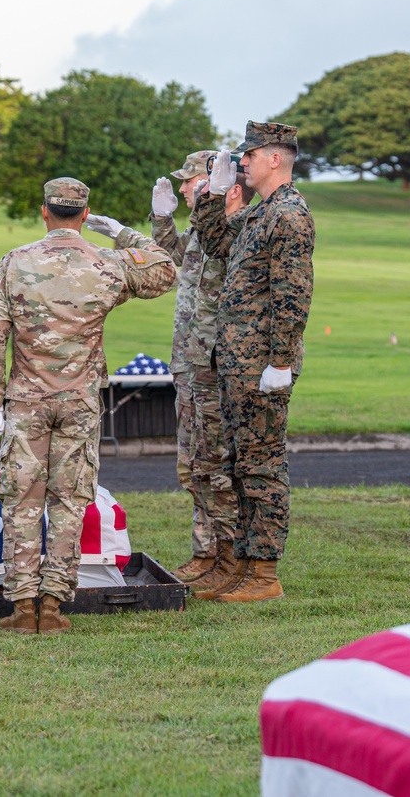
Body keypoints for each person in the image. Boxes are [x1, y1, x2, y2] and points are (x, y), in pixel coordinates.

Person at [0, 177, 177, 635]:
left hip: (25, 400)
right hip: (80, 401)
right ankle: (52, 604)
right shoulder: (106, 262)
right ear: (85, 215)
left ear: (44, 212)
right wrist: (124, 234)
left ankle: (23, 606)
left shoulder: (15, 263)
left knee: (21, 500)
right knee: (69, 500)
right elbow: (166, 269)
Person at [190, 122, 315, 603]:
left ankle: (264, 573)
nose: (243, 160)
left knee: (261, 465)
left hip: (262, 363)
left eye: (250, 154)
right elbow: (216, 243)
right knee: (241, 463)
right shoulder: (263, 213)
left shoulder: (289, 216)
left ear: (275, 159)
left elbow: (293, 294)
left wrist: (280, 360)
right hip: (238, 360)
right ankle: (243, 564)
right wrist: (213, 195)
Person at [182, 164, 257, 597]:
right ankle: (220, 555)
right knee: (204, 463)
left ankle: (231, 559)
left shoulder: (240, 232)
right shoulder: (216, 231)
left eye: (211, 188)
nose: (201, 194)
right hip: (202, 360)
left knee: (221, 465)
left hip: (223, 361)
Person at [147, 151, 220, 581]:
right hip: (188, 362)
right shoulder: (197, 228)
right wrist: (162, 221)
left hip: (207, 363)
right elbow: (170, 259)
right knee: (191, 462)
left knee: (211, 461)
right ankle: (205, 550)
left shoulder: (226, 226)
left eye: (189, 181)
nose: (183, 188)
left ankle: (219, 554)